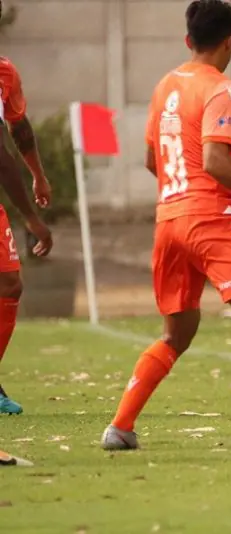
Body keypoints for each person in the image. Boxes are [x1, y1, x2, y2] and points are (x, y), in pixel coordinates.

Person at [101, 0, 231, 450]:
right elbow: (215, 160)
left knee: (177, 334)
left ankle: (120, 426)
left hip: (169, 221)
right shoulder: (223, 88)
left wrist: (182, 195)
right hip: (210, 219)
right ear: (230, 42)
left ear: (188, 40)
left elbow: (149, 159)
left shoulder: (164, 87)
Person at [0, 42, 54, 414]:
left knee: (9, 283)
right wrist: (30, 217)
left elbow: (19, 128)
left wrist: (38, 176)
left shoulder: (5, 73)